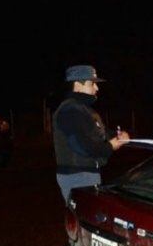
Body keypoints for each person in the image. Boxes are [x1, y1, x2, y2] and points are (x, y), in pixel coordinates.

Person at [53, 65, 130, 203]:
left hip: (86, 174)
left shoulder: (85, 110)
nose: (97, 88)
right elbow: (82, 146)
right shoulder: (70, 110)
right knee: (83, 219)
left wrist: (118, 136)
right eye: (92, 83)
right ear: (77, 85)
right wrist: (110, 146)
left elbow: (99, 133)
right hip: (77, 175)